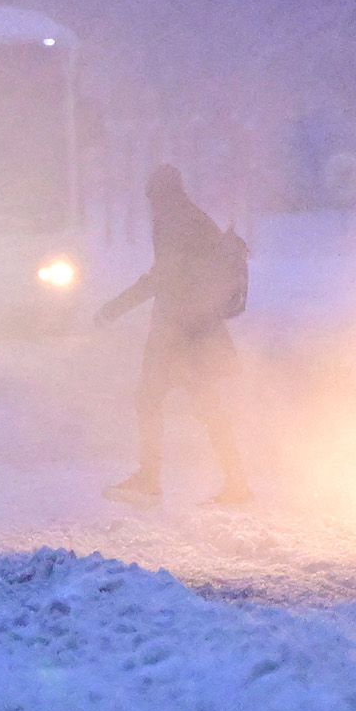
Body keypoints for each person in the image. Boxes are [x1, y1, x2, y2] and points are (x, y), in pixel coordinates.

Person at [97, 165, 250, 506]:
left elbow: (162, 277)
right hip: (197, 327)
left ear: (156, 195)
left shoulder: (175, 222)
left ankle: (150, 478)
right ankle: (236, 482)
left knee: (150, 399)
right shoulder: (193, 217)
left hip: (179, 330)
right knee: (204, 405)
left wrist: (114, 308)